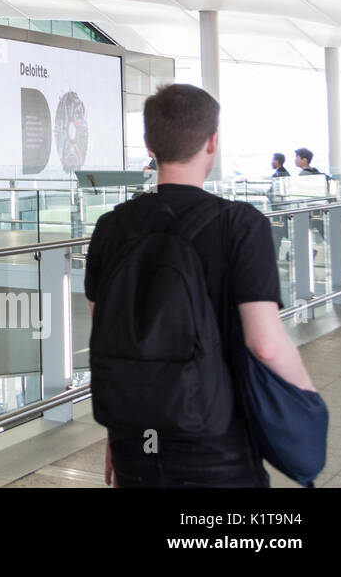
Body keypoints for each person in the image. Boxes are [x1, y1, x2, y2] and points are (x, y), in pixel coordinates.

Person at [87, 84, 314, 488]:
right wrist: (309, 408)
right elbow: (264, 343)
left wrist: (120, 427)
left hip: (138, 442)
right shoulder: (241, 225)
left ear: (149, 143)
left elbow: (111, 337)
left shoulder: (111, 227)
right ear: (212, 142)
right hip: (217, 446)